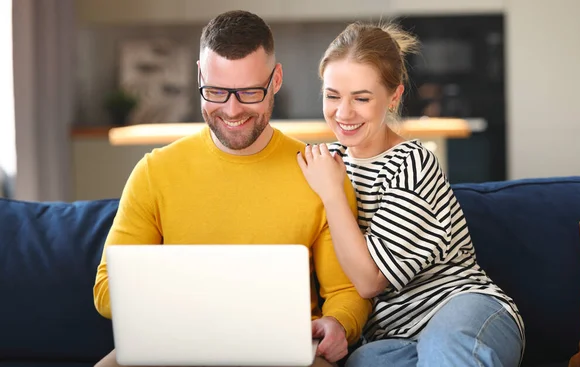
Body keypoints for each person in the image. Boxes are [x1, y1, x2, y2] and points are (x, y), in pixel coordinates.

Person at [92, 10, 372, 367]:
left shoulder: (320, 173)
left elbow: (345, 292)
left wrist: (338, 323)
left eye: (250, 92)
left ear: (276, 80)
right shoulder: (155, 172)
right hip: (173, 347)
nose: (232, 109)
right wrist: (195, 302)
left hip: (281, 353)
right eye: (216, 91)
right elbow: (105, 289)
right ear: (199, 76)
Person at [297, 21, 525, 367]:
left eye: (361, 98)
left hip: (462, 309)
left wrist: (332, 194)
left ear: (393, 97)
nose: (343, 113)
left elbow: (369, 280)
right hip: (392, 339)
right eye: (332, 96)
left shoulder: (413, 164)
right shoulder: (325, 162)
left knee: (445, 351)